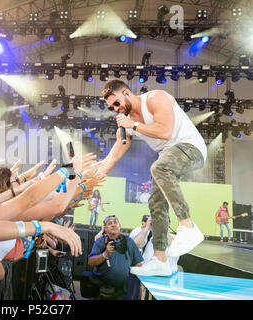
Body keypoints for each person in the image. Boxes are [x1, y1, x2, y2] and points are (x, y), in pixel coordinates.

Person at [100, 80, 207, 276]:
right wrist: (94, 177)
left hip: (192, 148)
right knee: (156, 202)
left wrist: (133, 124)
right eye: (112, 108)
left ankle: (187, 226)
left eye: (117, 103)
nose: (116, 110)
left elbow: (165, 131)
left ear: (126, 92)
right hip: (168, 157)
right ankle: (160, 259)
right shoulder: (126, 125)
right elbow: (113, 157)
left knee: (158, 167)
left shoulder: (155, 98)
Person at [88, 215, 143, 299]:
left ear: (119, 226)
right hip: (102, 291)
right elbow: (90, 263)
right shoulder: (100, 242)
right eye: (110, 223)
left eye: (115, 222)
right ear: (105, 228)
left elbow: (138, 264)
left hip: (124, 292)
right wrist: (105, 254)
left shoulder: (129, 242)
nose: (113, 225)